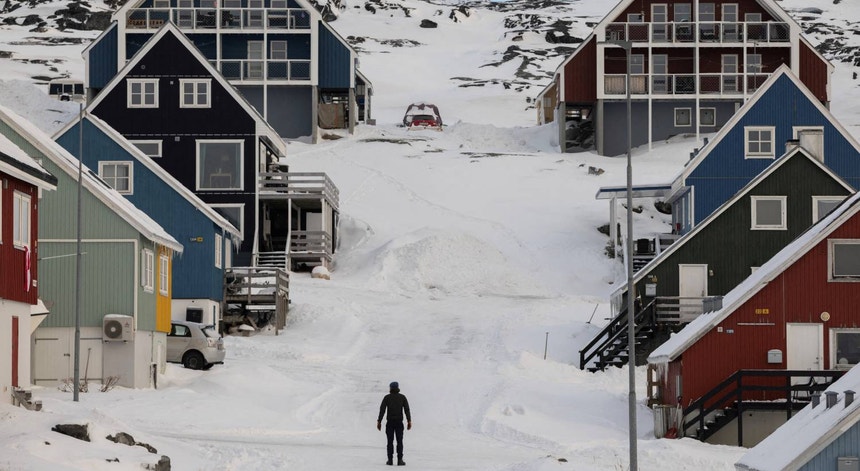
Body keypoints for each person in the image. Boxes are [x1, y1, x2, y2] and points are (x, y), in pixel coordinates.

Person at [377, 381, 412, 466]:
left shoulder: (387, 398)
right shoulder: (402, 397)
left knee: (390, 441)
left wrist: (379, 421)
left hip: (390, 423)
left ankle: (390, 460)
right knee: (399, 441)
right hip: (399, 422)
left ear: (391, 388)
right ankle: (400, 460)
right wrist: (409, 420)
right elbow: (407, 409)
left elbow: (382, 410)